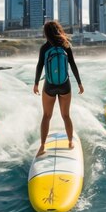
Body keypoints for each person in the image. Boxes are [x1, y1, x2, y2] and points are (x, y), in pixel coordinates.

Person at [33, 21, 84, 156]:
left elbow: (39, 66)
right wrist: (79, 83)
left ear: (46, 33)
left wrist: (36, 83)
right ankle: (70, 142)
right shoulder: (65, 45)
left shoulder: (44, 48)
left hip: (49, 86)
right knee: (66, 115)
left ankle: (42, 146)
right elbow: (72, 64)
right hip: (64, 85)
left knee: (46, 116)